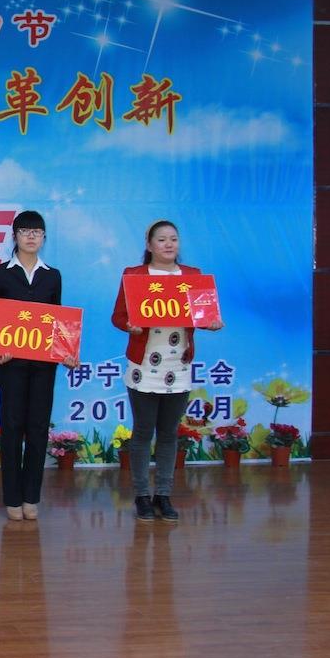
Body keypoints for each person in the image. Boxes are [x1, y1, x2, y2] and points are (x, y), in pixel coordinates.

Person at [111, 220, 223, 522]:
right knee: (143, 431)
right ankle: (141, 496)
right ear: (149, 245)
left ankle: (163, 494)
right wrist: (129, 326)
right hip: (144, 365)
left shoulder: (192, 276)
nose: (169, 244)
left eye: (174, 238)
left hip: (178, 364)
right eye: (161, 239)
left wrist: (211, 323)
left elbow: (202, 314)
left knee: (169, 433)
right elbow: (118, 316)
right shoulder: (134, 276)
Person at [0, 211, 78, 522]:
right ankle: (12, 497)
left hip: (43, 365)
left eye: (37, 231)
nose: (31, 236)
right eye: (25, 231)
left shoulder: (53, 276)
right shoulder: (0, 273)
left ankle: (31, 496)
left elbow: (59, 319)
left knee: (37, 428)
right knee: (11, 427)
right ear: (15, 236)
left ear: (44, 237)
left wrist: (66, 351)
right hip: (10, 364)